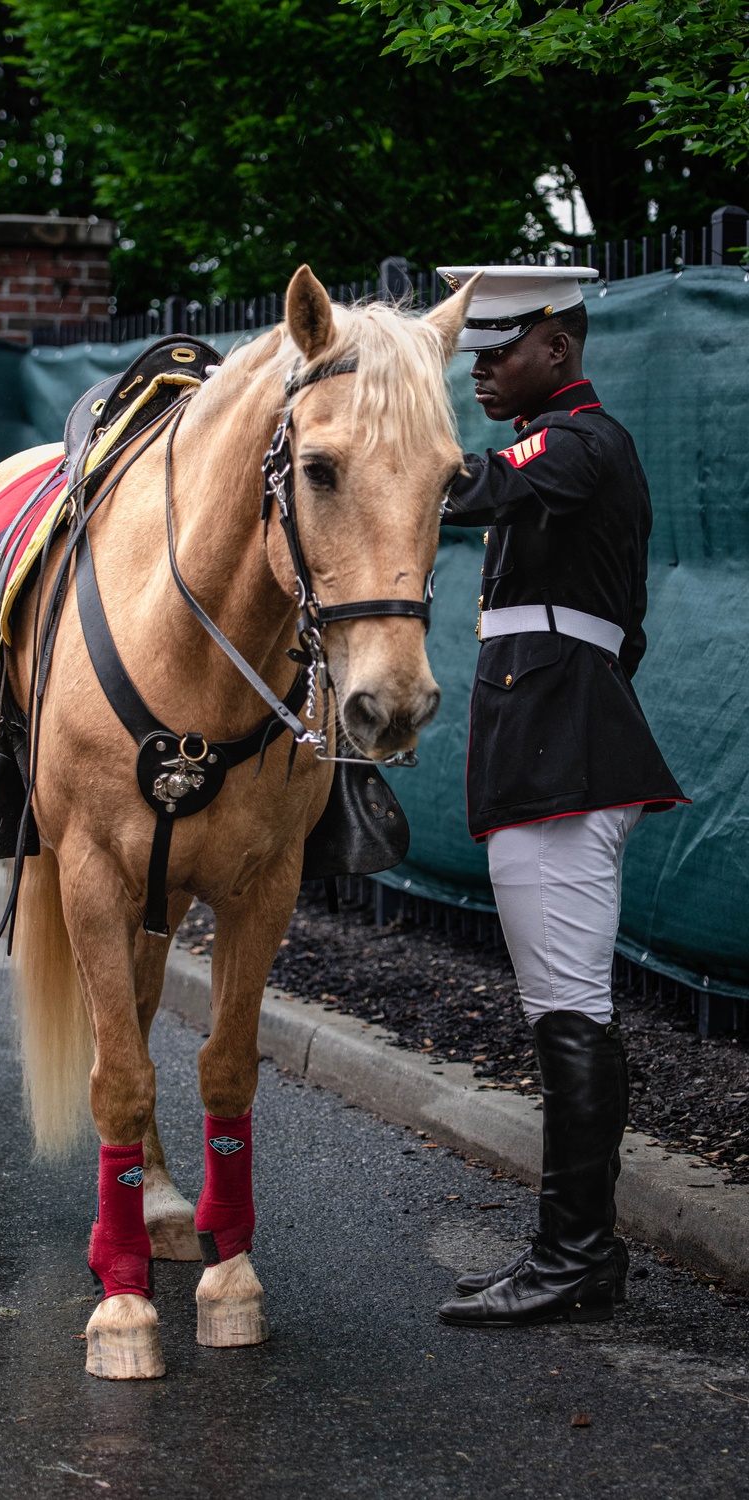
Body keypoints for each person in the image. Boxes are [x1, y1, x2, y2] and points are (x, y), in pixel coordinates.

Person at [431, 265, 686, 1328]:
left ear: (559, 348)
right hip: (547, 752)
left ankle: (574, 1256)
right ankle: (574, 1255)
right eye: (474, 352)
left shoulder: (580, 440)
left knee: (570, 1007)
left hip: (565, 761)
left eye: (500, 349)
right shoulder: (563, 447)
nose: (480, 368)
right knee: (559, 1005)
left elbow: (464, 488)